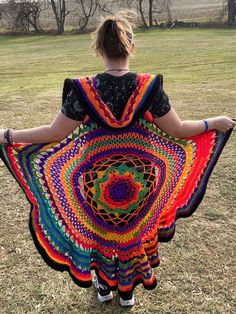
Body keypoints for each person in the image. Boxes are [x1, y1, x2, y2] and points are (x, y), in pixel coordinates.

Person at [0, 11, 235, 308]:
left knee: (102, 234)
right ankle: (127, 291)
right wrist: (213, 122)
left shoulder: (83, 90)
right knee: (132, 234)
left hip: (95, 180)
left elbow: (52, 133)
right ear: (131, 48)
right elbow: (178, 129)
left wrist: (8, 135)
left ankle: (104, 287)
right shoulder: (150, 87)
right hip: (141, 180)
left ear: (99, 49)